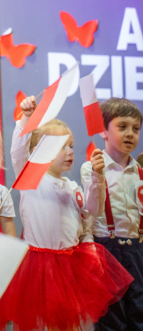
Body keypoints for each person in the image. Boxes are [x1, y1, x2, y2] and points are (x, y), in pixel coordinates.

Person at [0, 96, 133, 331]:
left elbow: (90, 215)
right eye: (59, 146)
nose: (68, 151)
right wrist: (26, 117)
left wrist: (98, 176)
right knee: (39, 324)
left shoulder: (73, 187)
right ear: (36, 152)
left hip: (70, 268)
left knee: (73, 324)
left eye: (71, 145)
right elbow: (18, 151)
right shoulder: (30, 180)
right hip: (38, 269)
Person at [81, 97, 143, 331]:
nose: (130, 134)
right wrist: (98, 176)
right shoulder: (92, 167)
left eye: (136, 129)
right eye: (122, 126)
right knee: (111, 314)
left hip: (137, 249)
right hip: (108, 248)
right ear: (103, 132)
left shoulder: (139, 171)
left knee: (139, 308)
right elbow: (92, 209)